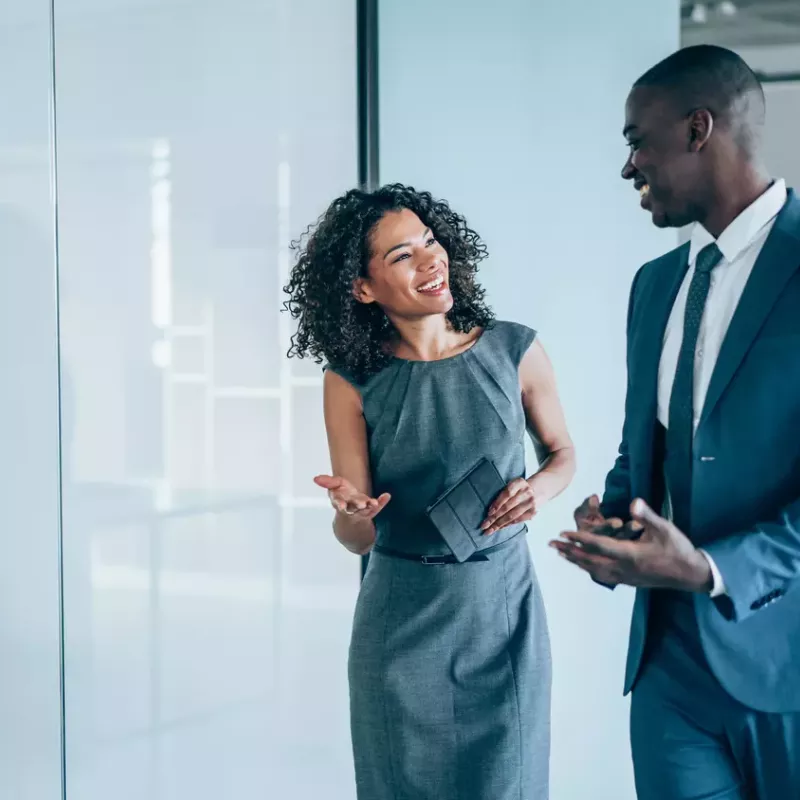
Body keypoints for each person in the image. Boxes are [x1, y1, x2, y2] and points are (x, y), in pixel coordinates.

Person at [551, 45, 800, 800]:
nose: (628, 166)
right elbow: (646, 447)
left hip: (787, 664)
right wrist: (614, 524)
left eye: (636, 139)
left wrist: (711, 568)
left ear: (699, 129)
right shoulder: (655, 286)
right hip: (667, 670)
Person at [284, 183, 575, 799]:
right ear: (362, 288)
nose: (430, 260)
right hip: (401, 622)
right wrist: (353, 513)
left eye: (431, 242)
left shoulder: (514, 349)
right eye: (401, 256)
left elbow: (563, 455)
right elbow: (355, 535)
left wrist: (540, 490)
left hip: (502, 613)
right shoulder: (351, 381)